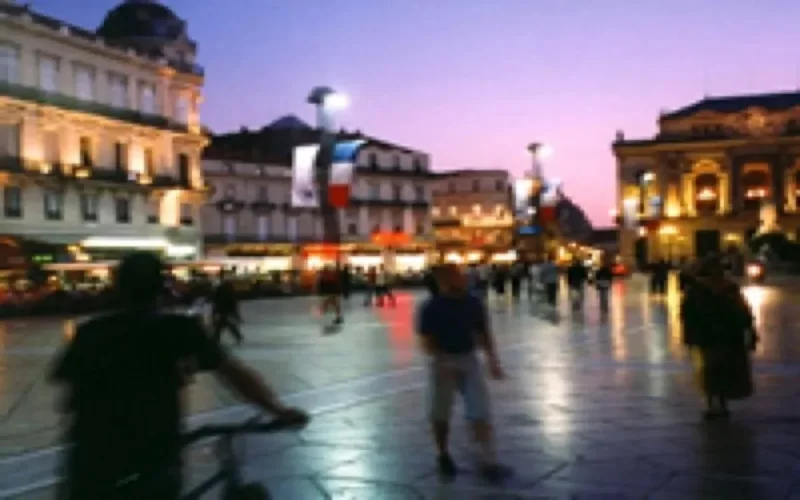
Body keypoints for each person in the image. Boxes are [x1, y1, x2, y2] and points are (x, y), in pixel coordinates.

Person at [49, 252, 308, 500]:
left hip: (89, 463)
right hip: (151, 460)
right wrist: (277, 410)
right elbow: (233, 374)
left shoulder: (89, 334)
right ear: (162, 288)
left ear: (118, 288)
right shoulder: (178, 329)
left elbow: (68, 396)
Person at [416, 264, 509, 482]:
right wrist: (440, 359)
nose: (463, 277)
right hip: (442, 362)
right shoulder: (430, 307)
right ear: (443, 281)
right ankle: (442, 453)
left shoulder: (473, 303)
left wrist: (492, 360)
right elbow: (426, 340)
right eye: (457, 275)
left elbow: (483, 332)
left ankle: (488, 458)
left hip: (468, 359)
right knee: (440, 411)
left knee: (480, 409)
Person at [681, 255, 757, 420]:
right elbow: (688, 316)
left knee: (717, 370)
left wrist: (750, 331)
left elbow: (744, 313)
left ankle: (718, 404)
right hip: (713, 337)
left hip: (724, 336)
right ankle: (714, 404)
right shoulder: (701, 290)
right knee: (712, 370)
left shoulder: (704, 290)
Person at [211, 270, 243, 344]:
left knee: (222, 323)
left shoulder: (223, 286)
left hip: (224, 307)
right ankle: (237, 336)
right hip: (224, 307)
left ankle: (216, 337)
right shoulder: (224, 286)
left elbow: (225, 298)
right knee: (223, 323)